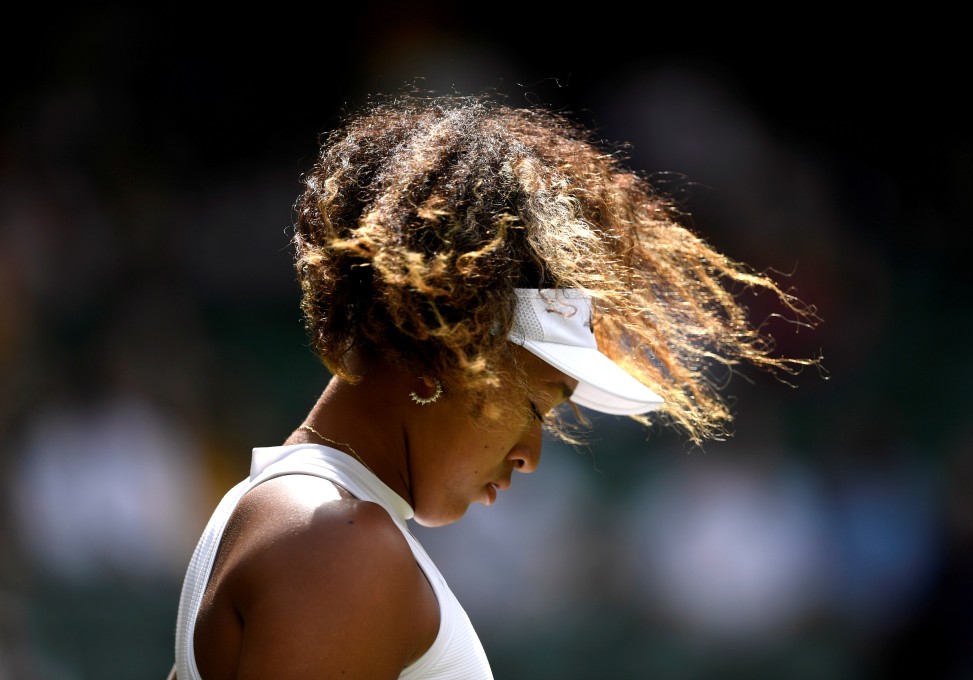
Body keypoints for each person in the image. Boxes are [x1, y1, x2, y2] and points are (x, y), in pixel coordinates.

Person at [168, 89, 820, 679]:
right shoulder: (338, 548)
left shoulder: (286, 517)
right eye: (535, 406)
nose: (530, 455)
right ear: (447, 347)